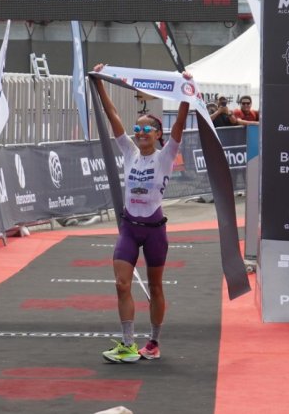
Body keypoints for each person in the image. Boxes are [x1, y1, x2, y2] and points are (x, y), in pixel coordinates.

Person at [91, 64, 191, 364]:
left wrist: (186, 93)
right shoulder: (129, 153)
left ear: (158, 134)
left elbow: (180, 127)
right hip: (129, 229)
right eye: (138, 129)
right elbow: (114, 118)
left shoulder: (166, 156)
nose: (140, 132)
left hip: (155, 230)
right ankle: (127, 344)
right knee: (122, 284)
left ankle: (154, 342)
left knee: (156, 286)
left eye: (147, 129)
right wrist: (99, 85)